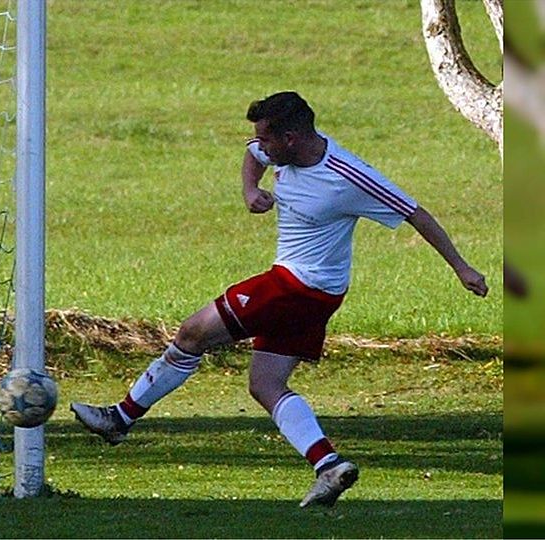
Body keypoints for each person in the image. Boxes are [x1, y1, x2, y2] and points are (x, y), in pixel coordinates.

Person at [70, 91, 489, 508]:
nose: (260, 146)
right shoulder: (279, 150)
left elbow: (416, 213)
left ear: (290, 138)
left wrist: (462, 268)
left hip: (297, 286)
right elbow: (252, 155)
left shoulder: (348, 175)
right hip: (315, 293)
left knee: (192, 333)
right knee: (265, 384)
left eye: (266, 140)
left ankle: (119, 418)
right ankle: (328, 465)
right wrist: (249, 189)